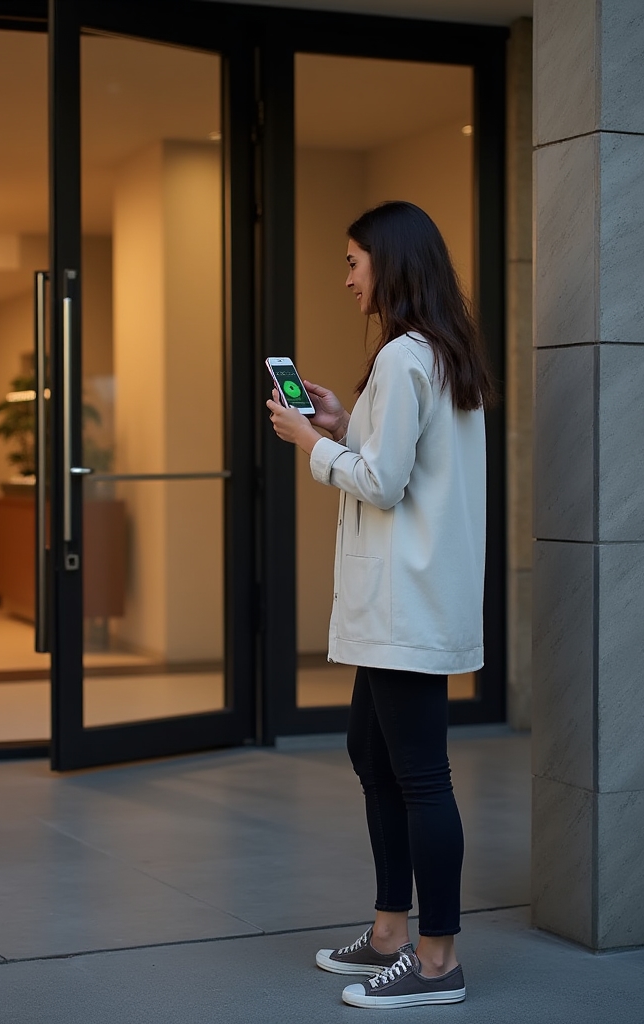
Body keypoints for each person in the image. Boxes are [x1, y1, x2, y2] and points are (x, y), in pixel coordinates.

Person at [266, 201, 494, 1010]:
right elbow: (402, 460)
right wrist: (339, 423)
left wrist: (311, 443)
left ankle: (437, 963)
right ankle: (391, 933)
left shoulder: (404, 357)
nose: (349, 277)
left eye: (356, 261)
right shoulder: (438, 354)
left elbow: (382, 483)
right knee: (373, 755)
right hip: (409, 598)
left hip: (404, 603)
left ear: (390, 265)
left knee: (420, 778)